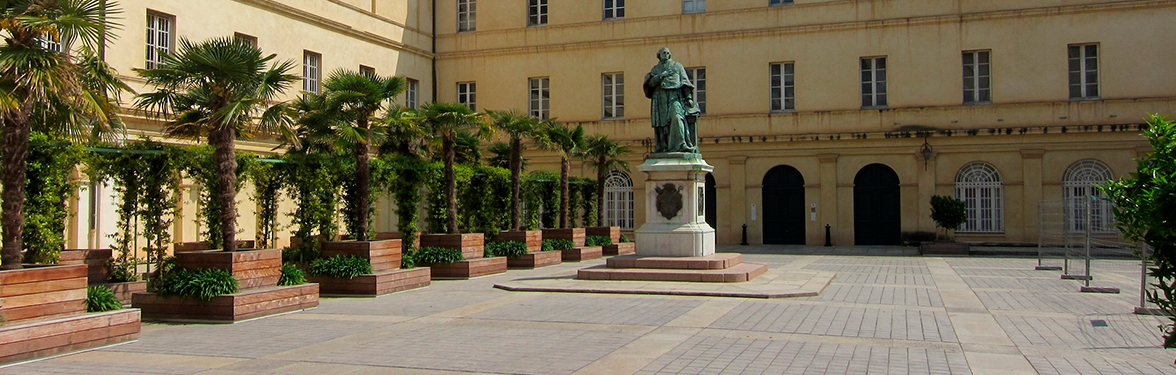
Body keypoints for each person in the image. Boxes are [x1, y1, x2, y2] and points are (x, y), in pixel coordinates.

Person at [644, 47, 700, 154]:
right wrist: (660, 76)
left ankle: (682, 144)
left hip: (674, 97)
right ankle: (663, 146)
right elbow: (650, 84)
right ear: (659, 55)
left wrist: (688, 98)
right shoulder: (655, 69)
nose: (665, 54)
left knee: (677, 118)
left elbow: (685, 82)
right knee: (661, 125)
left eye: (667, 53)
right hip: (660, 98)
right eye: (663, 53)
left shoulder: (677, 66)